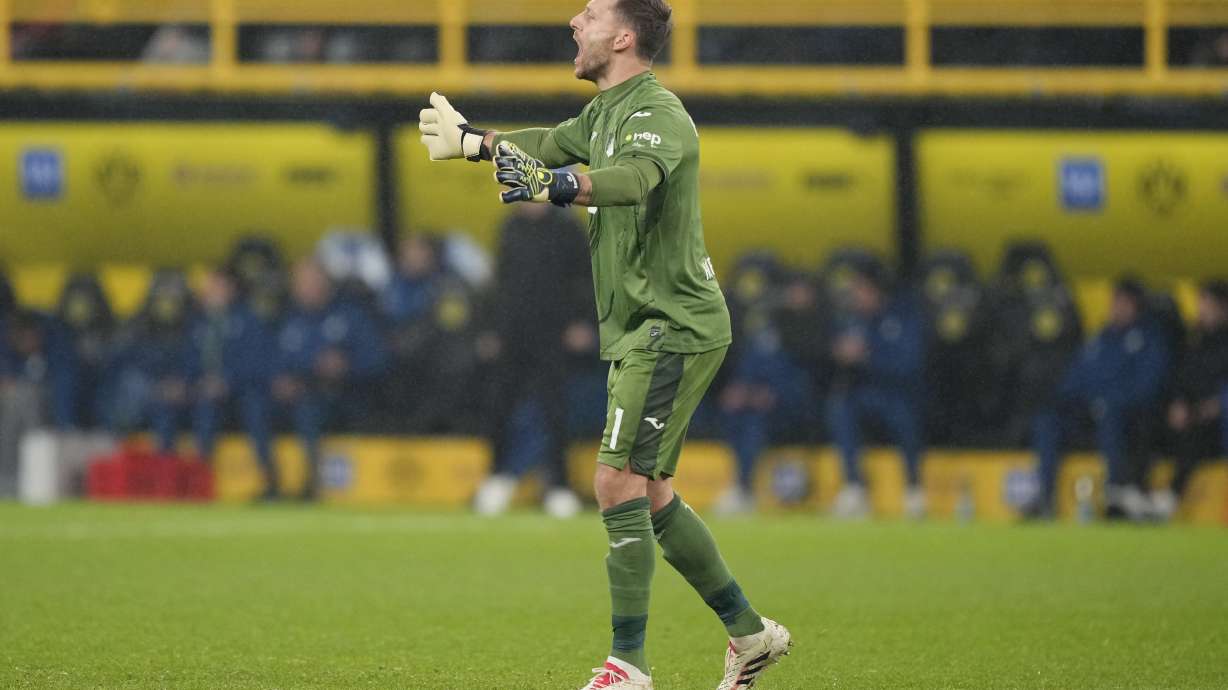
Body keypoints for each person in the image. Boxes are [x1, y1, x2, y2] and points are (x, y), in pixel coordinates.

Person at [418, 1, 791, 687]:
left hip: (671, 324)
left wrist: (560, 187)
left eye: (589, 14)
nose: (572, 21)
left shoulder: (660, 115)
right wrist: (475, 142)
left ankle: (628, 667)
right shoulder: (602, 115)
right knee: (648, 495)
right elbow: (550, 143)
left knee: (614, 479)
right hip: (645, 326)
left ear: (623, 37)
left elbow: (630, 182)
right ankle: (749, 634)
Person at [471, 203, 593, 519]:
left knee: (554, 411)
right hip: (513, 335)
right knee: (499, 406)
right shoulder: (509, 226)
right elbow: (499, 282)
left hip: (553, 333)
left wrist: (582, 321)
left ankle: (558, 485)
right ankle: (497, 477)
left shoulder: (568, 228)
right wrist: (491, 328)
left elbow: (586, 277)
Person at [1028, 278, 1171, 521]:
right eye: (1113, 301)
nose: (1114, 307)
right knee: (1047, 419)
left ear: (1135, 305)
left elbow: (1148, 386)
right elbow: (1073, 381)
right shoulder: (1100, 339)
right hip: (1087, 413)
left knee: (1110, 416)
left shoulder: (1148, 339)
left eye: (1121, 302)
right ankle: (1044, 498)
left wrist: (1109, 401)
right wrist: (1064, 400)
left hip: (1126, 415)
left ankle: (1115, 498)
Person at [272, 259, 385, 500]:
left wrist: (346, 366)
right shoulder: (287, 319)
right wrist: (280, 380)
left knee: (309, 410)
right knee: (257, 406)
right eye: (302, 282)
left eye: (312, 281)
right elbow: (272, 360)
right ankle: (271, 482)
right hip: (295, 395)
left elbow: (377, 359)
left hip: (345, 394)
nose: (307, 288)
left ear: (326, 283)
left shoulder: (350, 315)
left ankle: (311, 483)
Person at [824, 266, 927, 519]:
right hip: (866, 395)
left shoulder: (900, 318)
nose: (856, 296)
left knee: (904, 415)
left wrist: (867, 357)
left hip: (899, 394)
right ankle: (854, 487)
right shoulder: (853, 321)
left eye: (860, 290)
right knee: (840, 408)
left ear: (875, 290)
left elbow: (908, 365)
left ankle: (914, 488)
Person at [189, 268, 278, 499]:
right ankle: (199, 482)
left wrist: (227, 381)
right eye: (209, 286)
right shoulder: (197, 323)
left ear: (231, 289)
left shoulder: (248, 320)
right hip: (204, 393)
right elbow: (185, 361)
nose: (211, 292)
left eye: (217, 286)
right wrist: (196, 382)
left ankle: (270, 481)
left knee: (256, 412)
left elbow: (256, 361)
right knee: (202, 411)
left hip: (243, 390)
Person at [1154, 281, 1228, 519]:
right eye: (1200, 303)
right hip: (1189, 413)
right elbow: (1181, 378)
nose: (1201, 309)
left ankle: (1170, 497)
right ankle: (1134, 492)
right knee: (1147, 422)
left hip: (1215, 420)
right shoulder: (1193, 341)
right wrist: (1177, 403)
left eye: (1207, 304)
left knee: (1194, 434)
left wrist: (1217, 406)